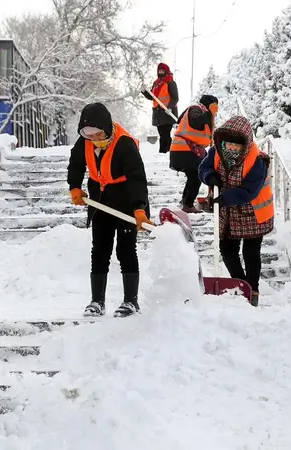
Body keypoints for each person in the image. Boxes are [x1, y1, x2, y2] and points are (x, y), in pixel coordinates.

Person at [67, 102, 154, 318]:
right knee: (100, 250)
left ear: (107, 128)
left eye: (98, 134)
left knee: (126, 250)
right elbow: (76, 164)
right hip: (100, 202)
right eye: (89, 135)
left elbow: (137, 178)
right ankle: (97, 301)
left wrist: (139, 209)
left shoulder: (124, 144)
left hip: (127, 202)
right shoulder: (84, 143)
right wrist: (75, 186)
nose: (95, 139)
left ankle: (131, 301)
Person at [198, 116, 274, 307]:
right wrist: (209, 176)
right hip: (228, 213)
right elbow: (203, 167)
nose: (231, 149)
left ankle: (253, 288)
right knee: (227, 249)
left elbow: (250, 190)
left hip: (253, 213)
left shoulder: (258, 160)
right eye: (228, 144)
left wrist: (225, 198)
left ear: (245, 144)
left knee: (251, 253)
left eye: (236, 146)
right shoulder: (216, 151)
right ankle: (241, 284)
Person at [170, 94, 219, 213]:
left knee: (193, 176)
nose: (216, 109)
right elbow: (196, 120)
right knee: (197, 175)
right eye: (215, 106)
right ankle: (188, 204)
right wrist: (209, 114)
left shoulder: (201, 112)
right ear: (209, 104)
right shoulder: (195, 109)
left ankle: (186, 202)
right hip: (184, 149)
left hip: (186, 150)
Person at [141, 63, 179, 154]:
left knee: (165, 134)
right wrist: (144, 92)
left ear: (166, 71)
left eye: (162, 70)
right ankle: (165, 152)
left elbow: (175, 98)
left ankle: (165, 151)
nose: (161, 72)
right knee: (162, 133)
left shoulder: (170, 82)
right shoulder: (156, 83)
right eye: (159, 70)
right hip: (158, 113)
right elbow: (153, 97)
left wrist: (169, 108)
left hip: (167, 113)